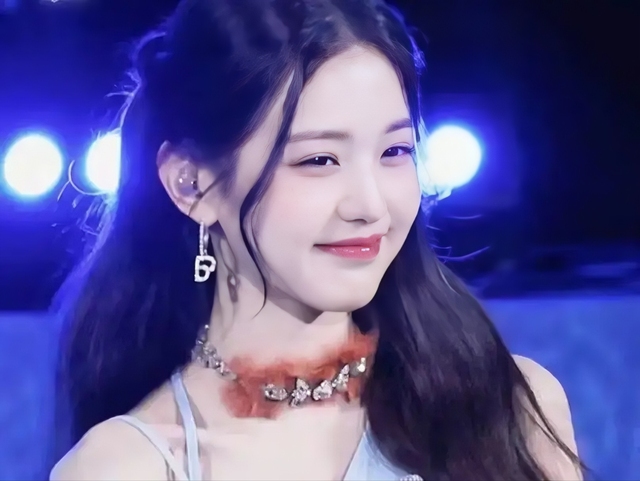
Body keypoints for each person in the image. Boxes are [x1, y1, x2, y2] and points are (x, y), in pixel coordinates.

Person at [49, 0, 584, 479]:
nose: (370, 205)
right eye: (319, 160)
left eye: (395, 152)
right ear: (193, 184)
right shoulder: (128, 467)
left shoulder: (509, 411)